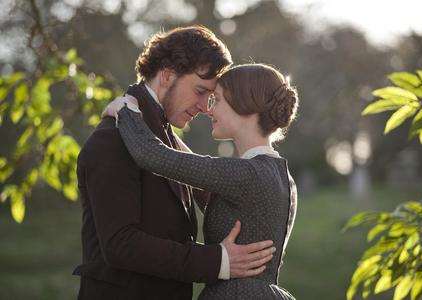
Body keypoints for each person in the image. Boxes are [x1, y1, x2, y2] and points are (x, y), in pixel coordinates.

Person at [74, 26, 275, 300]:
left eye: (211, 96)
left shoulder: (162, 138)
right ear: (168, 75)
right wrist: (218, 261)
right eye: (200, 91)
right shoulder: (113, 140)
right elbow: (121, 244)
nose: (205, 107)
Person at [103, 63, 299, 299]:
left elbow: (151, 156)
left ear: (244, 106)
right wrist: (165, 130)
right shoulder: (277, 175)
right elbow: (192, 168)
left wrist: (126, 110)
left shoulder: (245, 174)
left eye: (216, 100)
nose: (209, 110)